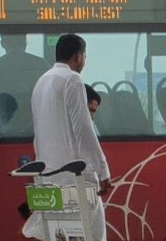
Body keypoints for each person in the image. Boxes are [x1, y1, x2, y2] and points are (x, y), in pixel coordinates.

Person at [29, 33, 110, 195]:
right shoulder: (72, 79)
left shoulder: (41, 81)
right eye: (85, 56)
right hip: (74, 178)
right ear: (78, 56)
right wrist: (103, 171)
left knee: (53, 220)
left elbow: (38, 133)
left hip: (47, 177)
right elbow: (84, 130)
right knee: (90, 220)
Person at [0, 33, 46, 137]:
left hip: (6, 134)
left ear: (3, 43)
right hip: (40, 136)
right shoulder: (42, 65)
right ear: (25, 43)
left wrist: (3, 120)